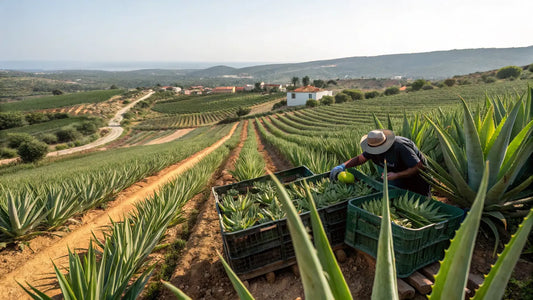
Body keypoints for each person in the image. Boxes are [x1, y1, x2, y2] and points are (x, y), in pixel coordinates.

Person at [329, 129, 431, 196]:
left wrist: (397, 175)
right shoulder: (373, 147)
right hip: (396, 175)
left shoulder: (400, 146)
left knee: (420, 201)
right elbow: (360, 159)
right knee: (400, 199)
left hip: (418, 177)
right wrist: (342, 166)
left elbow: (419, 166)